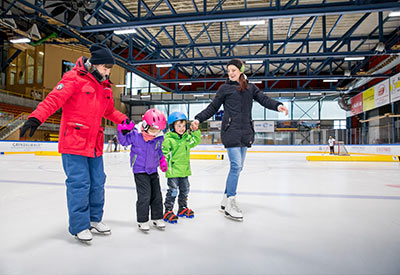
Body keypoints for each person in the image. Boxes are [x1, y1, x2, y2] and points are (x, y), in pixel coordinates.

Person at [19, 43, 128, 242]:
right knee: (79, 184)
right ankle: (79, 226)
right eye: (105, 68)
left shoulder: (104, 86)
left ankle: (94, 219)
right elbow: (54, 100)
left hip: (94, 144)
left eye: (109, 69)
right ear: (94, 64)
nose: (107, 73)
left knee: (97, 182)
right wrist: (35, 118)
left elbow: (109, 111)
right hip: (74, 142)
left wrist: (125, 121)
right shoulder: (73, 78)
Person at [191, 58, 288, 221]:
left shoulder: (250, 88)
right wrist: (198, 119)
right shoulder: (225, 89)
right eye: (228, 71)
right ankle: (230, 202)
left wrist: (278, 105)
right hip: (231, 132)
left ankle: (224, 199)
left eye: (233, 70)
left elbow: (264, 99)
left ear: (241, 71)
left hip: (245, 133)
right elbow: (213, 107)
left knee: (239, 167)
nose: (231, 73)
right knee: (236, 166)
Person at [117, 109, 168, 232]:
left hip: (153, 170)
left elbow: (159, 151)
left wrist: (162, 161)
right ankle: (142, 220)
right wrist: (121, 131)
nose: (155, 133)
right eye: (153, 129)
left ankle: (157, 217)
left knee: (157, 195)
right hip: (140, 170)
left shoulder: (159, 138)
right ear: (145, 125)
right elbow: (123, 141)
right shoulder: (135, 134)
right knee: (145, 195)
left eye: (158, 130)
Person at [161, 112, 201, 224]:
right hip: (173, 171)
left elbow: (196, 141)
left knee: (185, 190)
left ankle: (182, 208)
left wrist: (195, 131)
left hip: (184, 171)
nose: (182, 128)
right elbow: (164, 153)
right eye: (179, 126)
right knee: (173, 191)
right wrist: (163, 163)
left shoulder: (186, 138)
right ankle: (168, 210)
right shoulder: (168, 140)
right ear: (172, 126)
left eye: (183, 126)